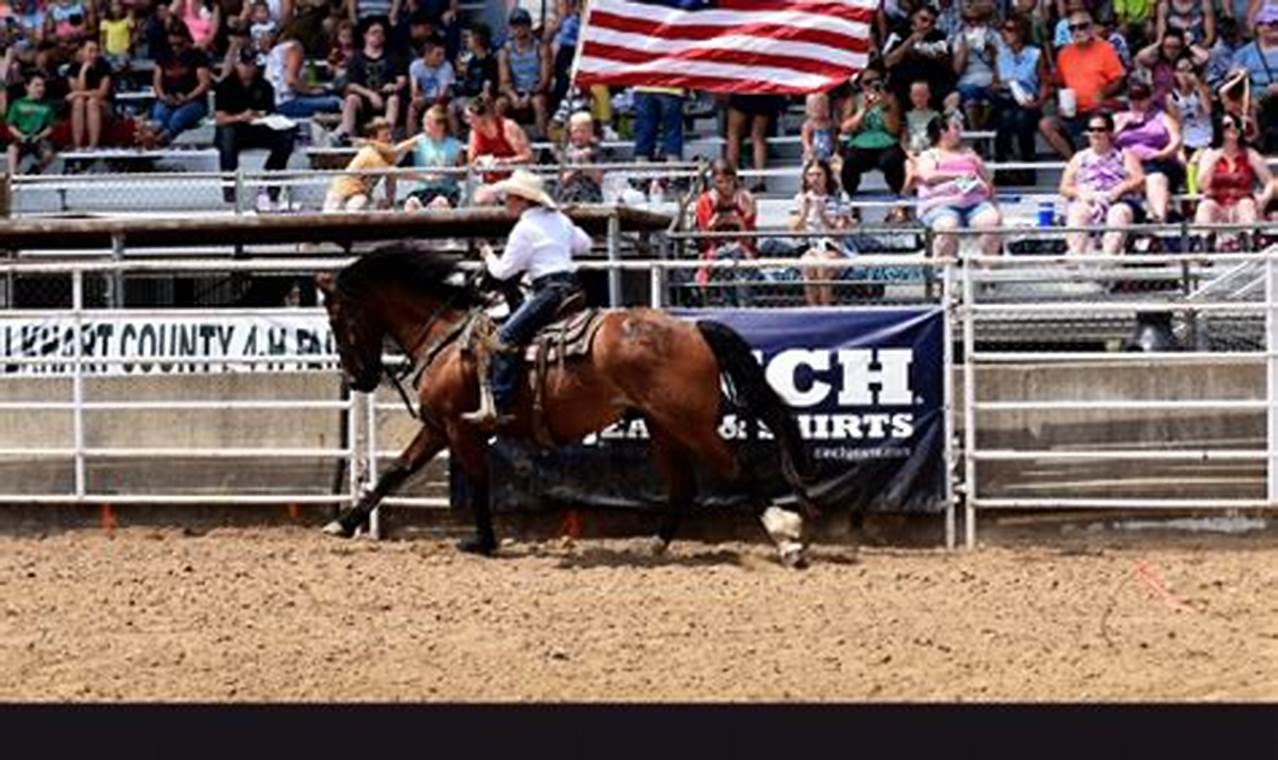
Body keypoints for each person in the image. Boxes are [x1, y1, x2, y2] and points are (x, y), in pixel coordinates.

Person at [463, 169, 589, 428]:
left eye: (509, 196)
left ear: (522, 199)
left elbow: (502, 271)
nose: (506, 200)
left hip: (549, 291)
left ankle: (499, 404)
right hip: (573, 288)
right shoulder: (560, 219)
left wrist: (487, 253)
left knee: (503, 338)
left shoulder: (524, 228)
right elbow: (584, 244)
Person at [910, 112, 1003, 258]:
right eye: (955, 128)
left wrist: (994, 204)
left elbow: (987, 179)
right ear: (943, 132)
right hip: (940, 205)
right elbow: (928, 176)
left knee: (992, 221)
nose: (960, 132)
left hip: (974, 203)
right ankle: (944, 273)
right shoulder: (929, 155)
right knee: (948, 226)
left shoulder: (969, 153)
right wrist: (958, 176)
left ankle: (988, 272)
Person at [214, 47, 297, 210]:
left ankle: (271, 183)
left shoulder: (265, 86)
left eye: (251, 64)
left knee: (286, 136)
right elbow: (220, 118)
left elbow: (270, 112)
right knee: (227, 135)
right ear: (238, 65)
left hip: (258, 129)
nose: (248, 69)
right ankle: (230, 186)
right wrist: (240, 117)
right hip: (235, 130)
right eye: (245, 64)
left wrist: (261, 117)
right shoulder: (225, 85)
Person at [1039, 9, 1127, 158]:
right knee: (1046, 124)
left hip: (1097, 109)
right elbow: (1060, 83)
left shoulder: (1105, 49)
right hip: (1074, 111)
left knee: (1098, 121)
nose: (1077, 31)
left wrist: (1104, 92)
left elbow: (1119, 81)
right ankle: (1074, 162)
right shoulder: (1064, 53)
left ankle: (1098, 161)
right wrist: (1060, 101)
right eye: (1073, 28)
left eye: (1082, 26)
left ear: (1091, 28)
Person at [1058, 111, 1147, 256]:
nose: (1095, 134)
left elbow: (1139, 179)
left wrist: (1120, 189)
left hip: (1118, 200)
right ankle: (1078, 261)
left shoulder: (1124, 154)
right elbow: (1064, 187)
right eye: (1091, 130)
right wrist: (1081, 193)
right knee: (1076, 213)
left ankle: (1108, 262)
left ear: (1110, 132)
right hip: (1089, 200)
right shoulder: (1079, 157)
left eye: (1100, 130)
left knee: (1118, 214)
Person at [1193, 113, 1274, 250]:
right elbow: (1202, 186)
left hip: (1241, 202)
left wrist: (1264, 199)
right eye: (1227, 126)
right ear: (1219, 130)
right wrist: (1212, 162)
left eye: (1236, 125)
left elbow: (1270, 181)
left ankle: (1250, 243)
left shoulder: (1249, 153)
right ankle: (1205, 247)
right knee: (1205, 207)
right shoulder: (1210, 154)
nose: (1233, 128)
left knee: (1246, 204)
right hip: (1218, 203)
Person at [1113, 80, 1184, 223]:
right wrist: (1121, 127)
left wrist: (1163, 154)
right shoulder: (1118, 118)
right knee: (1141, 176)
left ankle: (1157, 219)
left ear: (1149, 98)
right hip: (1127, 163)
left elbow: (1176, 138)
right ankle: (1161, 213)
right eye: (1132, 98)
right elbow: (1104, 142)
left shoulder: (1161, 117)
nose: (1137, 102)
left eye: (1141, 98)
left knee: (1155, 177)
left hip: (1157, 160)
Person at [992, 13, 1050, 183]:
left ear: (1021, 32)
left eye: (1010, 30)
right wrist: (1004, 84)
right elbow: (994, 83)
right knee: (1006, 116)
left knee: (1022, 117)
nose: (1005, 34)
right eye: (1004, 29)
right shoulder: (1000, 54)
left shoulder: (1035, 54)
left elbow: (1045, 82)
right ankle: (1002, 168)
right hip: (1005, 99)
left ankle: (1027, 167)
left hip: (1027, 100)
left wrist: (1039, 102)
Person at [790, 159, 853, 306]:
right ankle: (814, 310)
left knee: (823, 266)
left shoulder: (840, 198)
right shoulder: (800, 199)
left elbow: (840, 234)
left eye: (819, 174)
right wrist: (805, 213)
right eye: (811, 175)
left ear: (827, 176)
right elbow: (793, 232)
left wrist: (823, 216)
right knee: (809, 266)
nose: (815, 178)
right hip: (808, 246)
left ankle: (825, 310)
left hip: (834, 247)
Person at [335, 18, 407, 145]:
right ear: (365, 36)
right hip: (364, 100)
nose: (378, 36)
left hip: (386, 98)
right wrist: (370, 94)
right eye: (374, 32)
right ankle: (347, 136)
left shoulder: (393, 56)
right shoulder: (356, 57)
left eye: (381, 33)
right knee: (351, 99)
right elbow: (351, 84)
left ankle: (386, 137)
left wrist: (395, 86)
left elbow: (402, 80)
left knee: (394, 100)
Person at [323, 117, 418, 211]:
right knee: (332, 214)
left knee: (357, 208)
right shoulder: (370, 153)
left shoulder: (387, 155)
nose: (389, 138)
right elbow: (393, 171)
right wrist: (424, 177)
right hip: (340, 191)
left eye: (390, 134)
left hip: (360, 193)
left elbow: (390, 180)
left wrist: (390, 200)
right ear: (374, 139)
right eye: (385, 135)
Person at [839, 65, 907, 195]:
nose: (872, 85)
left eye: (876, 80)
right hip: (860, 145)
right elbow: (845, 128)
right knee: (850, 161)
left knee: (893, 160)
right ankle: (850, 199)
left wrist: (885, 107)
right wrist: (863, 110)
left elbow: (894, 130)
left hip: (886, 144)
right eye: (867, 82)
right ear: (860, 84)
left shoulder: (889, 98)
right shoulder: (853, 100)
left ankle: (898, 199)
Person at [144, 24, 212, 147]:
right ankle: (154, 136)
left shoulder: (197, 56)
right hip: (168, 98)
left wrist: (187, 97)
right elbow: (157, 82)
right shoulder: (163, 56)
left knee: (178, 117)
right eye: (172, 45)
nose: (175, 48)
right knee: (160, 114)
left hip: (194, 100)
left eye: (179, 45)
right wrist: (164, 97)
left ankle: (163, 139)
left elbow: (204, 83)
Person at [1228, 5, 1278, 152]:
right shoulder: (1245, 53)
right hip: (1255, 94)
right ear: (1260, 28)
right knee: (1250, 104)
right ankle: (1255, 142)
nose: (1275, 28)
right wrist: (1237, 74)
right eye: (1272, 24)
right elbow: (1231, 76)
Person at [267, 22, 343, 118]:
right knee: (335, 102)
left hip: (274, 100)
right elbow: (291, 80)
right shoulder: (295, 48)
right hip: (286, 102)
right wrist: (310, 92)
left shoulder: (279, 48)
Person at [497, 6, 549, 139]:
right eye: (515, 25)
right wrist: (513, 95)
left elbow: (544, 80)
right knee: (500, 104)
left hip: (535, 90)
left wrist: (529, 94)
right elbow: (504, 81)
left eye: (522, 24)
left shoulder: (541, 47)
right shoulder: (505, 51)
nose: (518, 29)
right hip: (514, 91)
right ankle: (499, 140)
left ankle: (543, 144)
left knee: (539, 103)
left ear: (529, 26)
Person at [403, 103, 464, 210]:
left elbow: (462, 174)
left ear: (440, 125)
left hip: (446, 190)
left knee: (440, 203)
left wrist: (448, 173)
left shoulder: (456, 146)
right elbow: (394, 152)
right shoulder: (418, 141)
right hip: (423, 190)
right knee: (411, 204)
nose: (423, 121)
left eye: (428, 119)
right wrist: (423, 177)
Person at [725, 93, 786, 193]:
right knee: (758, 136)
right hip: (764, 92)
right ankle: (760, 180)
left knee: (733, 134)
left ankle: (731, 180)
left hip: (743, 88)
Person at [466, 93, 531, 185]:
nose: (468, 121)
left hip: (514, 179)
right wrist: (478, 163)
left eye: (471, 118)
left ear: (483, 116)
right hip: (488, 183)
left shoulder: (507, 127)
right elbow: (471, 161)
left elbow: (527, 156)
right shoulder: (474, 133)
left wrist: (505, 161)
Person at [66, 38, 112, 150]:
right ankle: (77, 145)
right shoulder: (73, 68)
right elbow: (76, 91)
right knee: (78, 102)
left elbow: (102, 92)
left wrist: (79, 93)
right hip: (82, 105)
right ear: (81, 51)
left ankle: (93, 145)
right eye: (90, 51)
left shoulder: (104, 66)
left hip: (104, 105)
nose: (94, 54)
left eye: (96, 51)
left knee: (92, 102)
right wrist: (83, 71)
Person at [6, 72, 54, 174]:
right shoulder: (17, 104)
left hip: (39, 138)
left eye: (42, 86)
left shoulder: (47, 106)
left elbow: (50, 127)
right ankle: (13, 176)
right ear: (27, 87)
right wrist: (21, 136)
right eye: (37, 85)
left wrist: (39, 136)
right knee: (12, 149)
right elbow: (10, 125)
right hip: (22, 136)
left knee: (48, 155)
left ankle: (35, 170)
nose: (41, 89)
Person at [405, 33, 453, 132]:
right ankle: (411, 140)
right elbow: (414, 90)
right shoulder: (415, 66)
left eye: (443, 54)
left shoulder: (446, 67)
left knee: (446, 108)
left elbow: (442, 94)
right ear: (427, 54)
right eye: (438, 54)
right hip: (424, 98)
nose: (442, 58)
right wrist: (417, 99)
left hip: (443, 99)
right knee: (412, 107)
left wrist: (427, 100)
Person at [555, 110, 602, 203]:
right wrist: (576, 167)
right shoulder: (562, 150)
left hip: (592, 196)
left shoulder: (598, 150)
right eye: (575, 131)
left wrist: (585, 162)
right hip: (568, 196)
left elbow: (599, 179)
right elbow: (563, 181)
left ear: (591, 133)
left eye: (583, 131)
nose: (579, 135)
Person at [800, 91, 837, 165]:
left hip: (828, 151)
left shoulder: (830, 123)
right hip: (813, 151)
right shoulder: (808, 125)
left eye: (821, 106)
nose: (818, 108)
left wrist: (835, 150)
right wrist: (808, 149)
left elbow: (834, 138)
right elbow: (805, 140)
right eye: (815, 106)